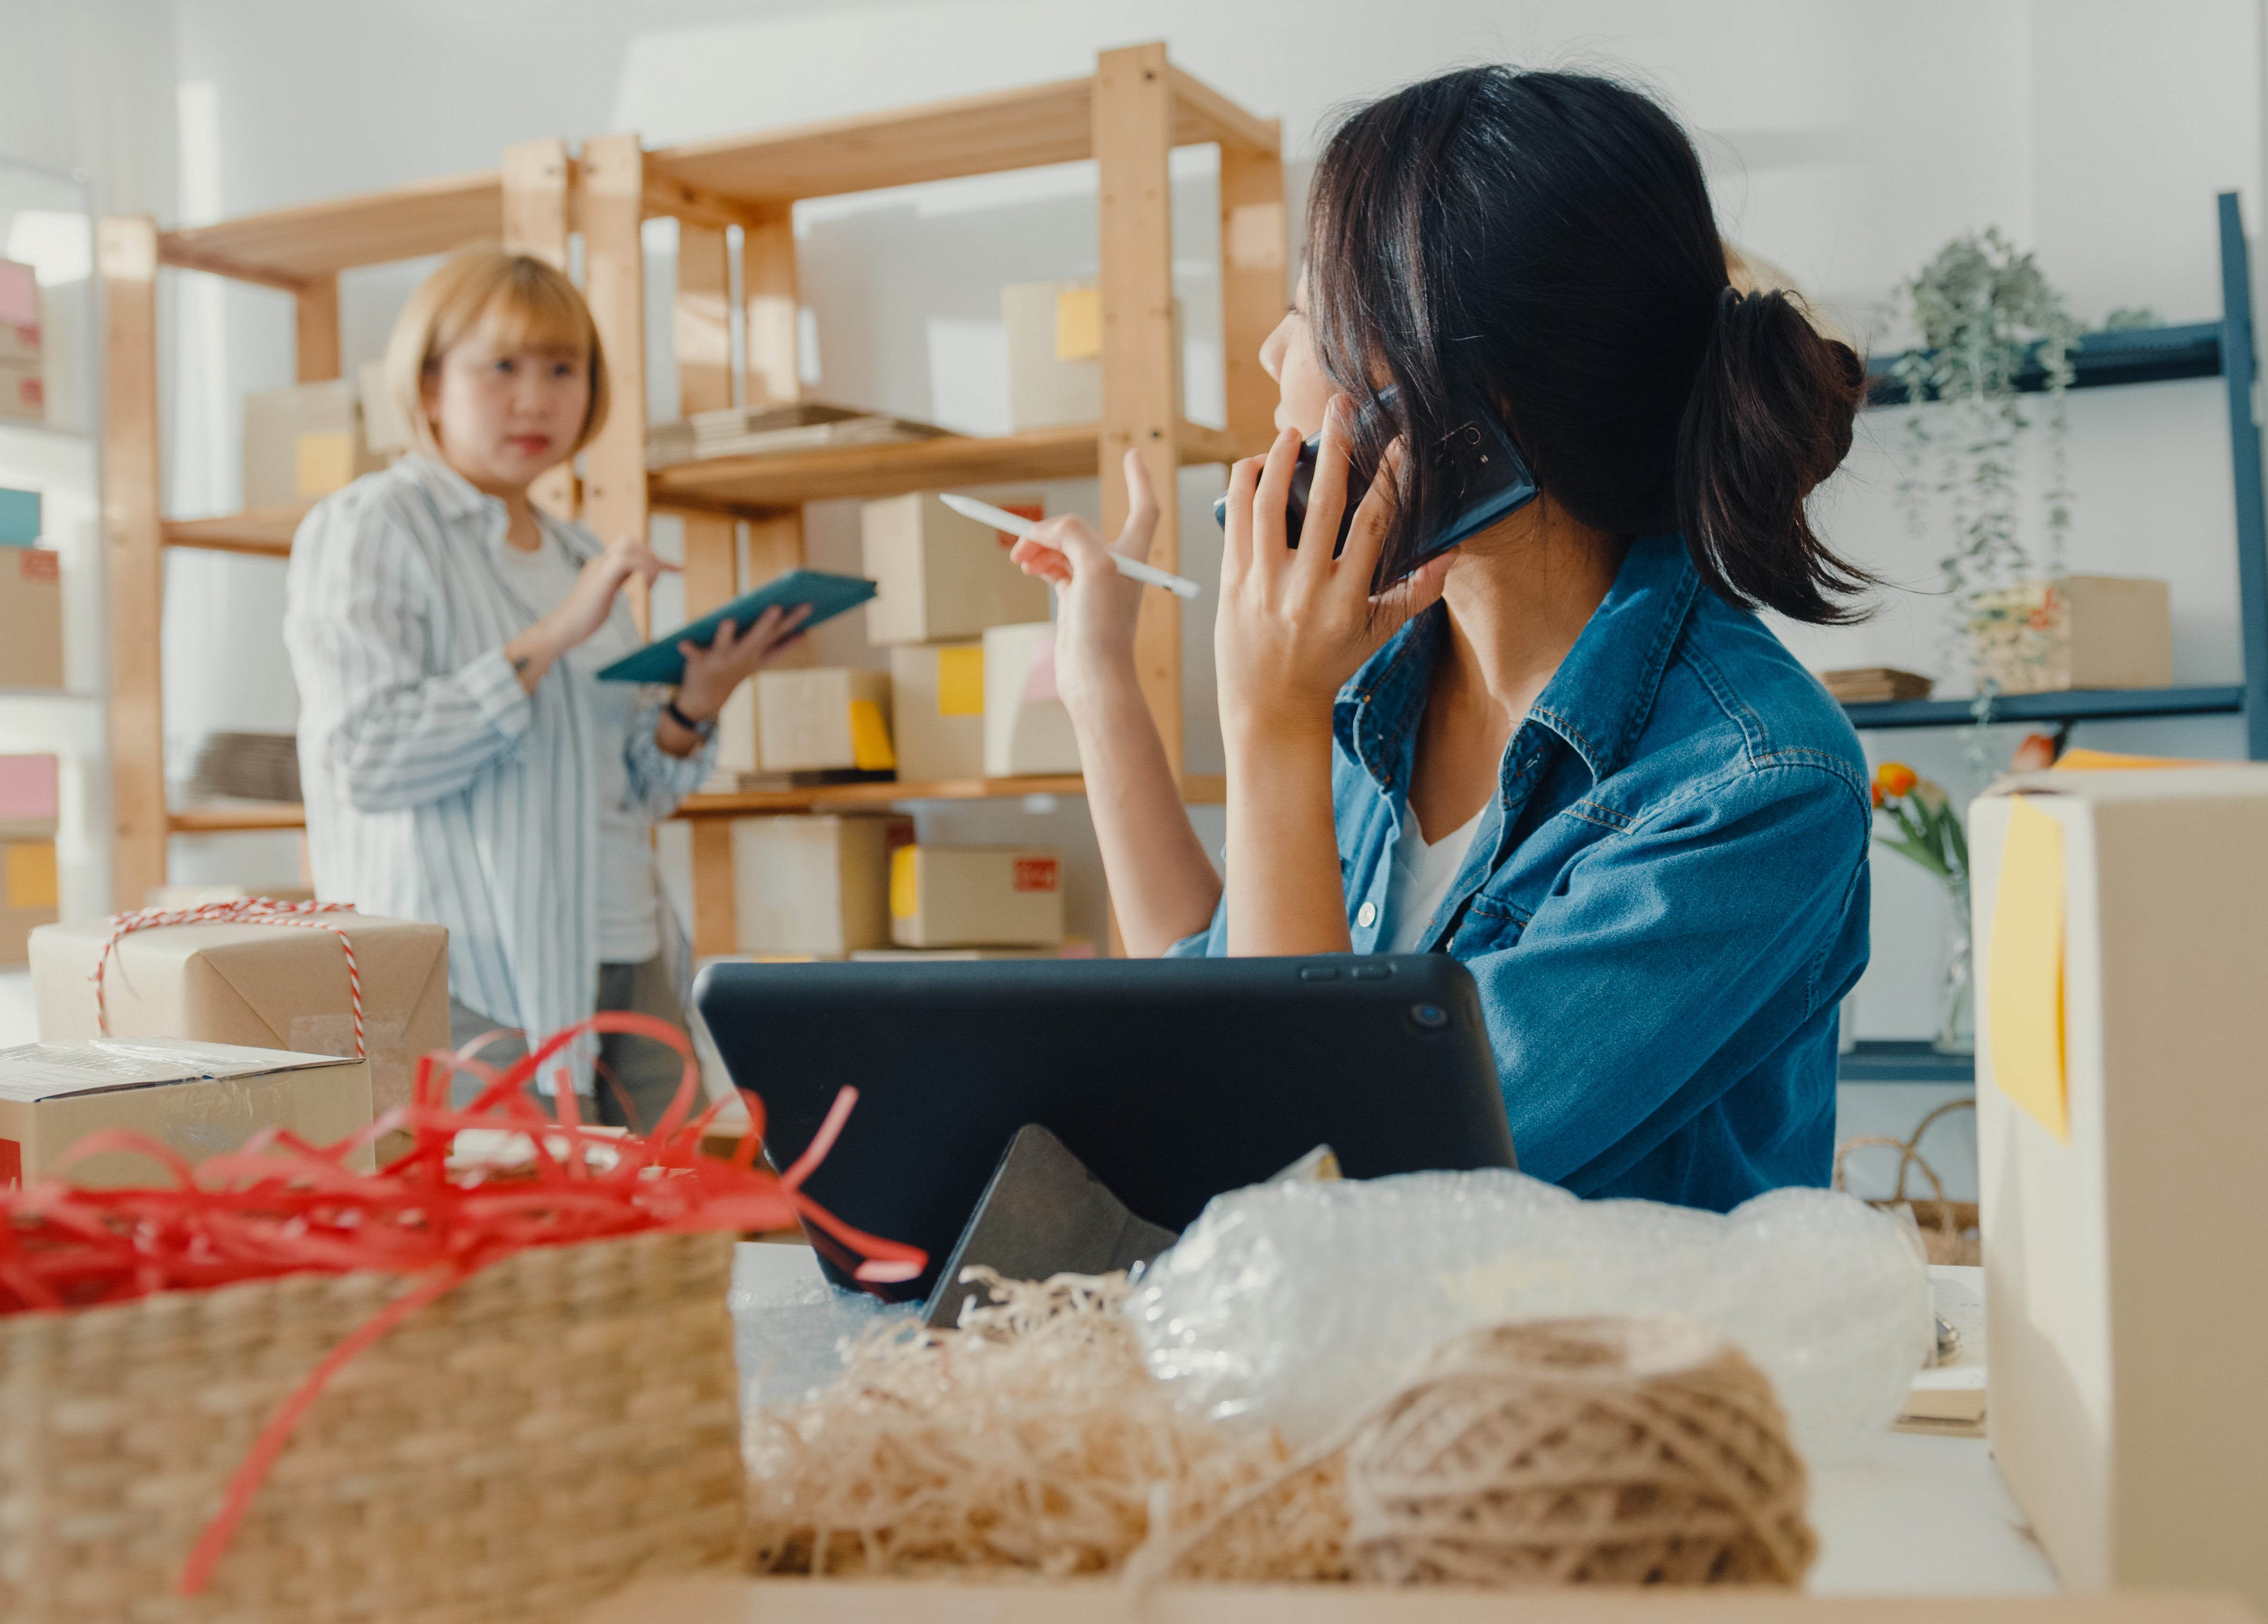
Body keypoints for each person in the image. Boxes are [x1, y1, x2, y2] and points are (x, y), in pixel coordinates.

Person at [1006, 68, 1874, 1209]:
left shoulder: (1753, 791)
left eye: (1317, 317)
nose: (1276, 353)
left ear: (1480, 411)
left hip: (1590, 1389)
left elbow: (1330, 1191)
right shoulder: (1383, 680)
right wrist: (1099, 680)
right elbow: (1215, 992)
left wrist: (1268, 721)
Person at [284, 249, 802, 1129]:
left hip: (624, 948)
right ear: (430, 378)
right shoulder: (373, 526)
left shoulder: (573, 553)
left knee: (668, 1228)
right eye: (503, 367)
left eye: (564, 369)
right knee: (515, 1238)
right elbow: (365, 759)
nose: (537, 399)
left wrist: (694, 705)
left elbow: (638, 785)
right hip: (470, 969)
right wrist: (555, 634)